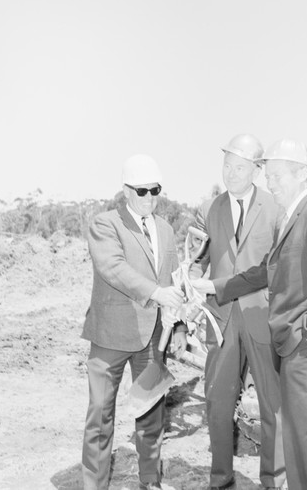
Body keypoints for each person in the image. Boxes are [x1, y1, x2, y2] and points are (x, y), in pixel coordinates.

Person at [193, 138, 307, 490]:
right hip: (297, 343)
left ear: (301, 174)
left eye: (276, 174)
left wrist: (304, 333)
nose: (269, 181)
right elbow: (266, 270)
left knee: (306, 444)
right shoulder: (292, 217)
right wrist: (215, 288)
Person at [81, 153, 187, 490]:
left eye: (155, 190)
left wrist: (180, 325)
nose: (150, 198)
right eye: (142, 191)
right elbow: (113, 269)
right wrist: (156, 293)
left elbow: (173, 281)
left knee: (151, 413)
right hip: (111, 336)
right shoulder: (105, 224)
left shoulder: (167, 230)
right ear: (126, 191)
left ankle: (149, 481)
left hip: (154, 338)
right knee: (101, 415)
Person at [194, 134, 286, 490]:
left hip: (262, 317)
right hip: (220, 320)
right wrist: (188, 286)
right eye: (227, 166)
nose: (232, 174)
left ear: (257, 170)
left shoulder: (275, 208)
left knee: (271, 401)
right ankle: (221, 478)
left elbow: (276, 266)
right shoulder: (208, 209)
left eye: (240, 167)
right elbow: (197, 261)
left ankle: (274, 479)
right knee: (218, 400)